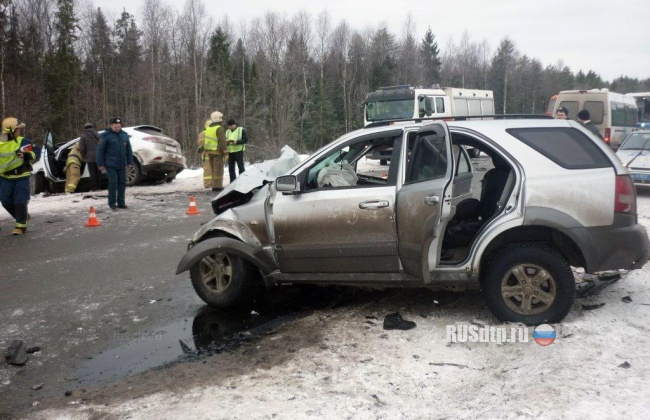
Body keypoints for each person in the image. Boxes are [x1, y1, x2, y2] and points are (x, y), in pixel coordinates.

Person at [0, 117, 36, 235]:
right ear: (11, 131)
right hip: (5, 178)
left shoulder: (23, 141)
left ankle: (21, 226)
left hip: (21, 176)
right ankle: (23, 216)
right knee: (5, 201)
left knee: (20, 201)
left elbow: (36, 152)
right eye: (18, 129)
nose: (20, 131)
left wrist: (27, 155)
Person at [97, 117, 134, 210]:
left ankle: (121, 202)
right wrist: (100, 164)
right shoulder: (105, 136)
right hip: (110, 164)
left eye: (119, 126)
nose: (117, 128)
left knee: (122, 183)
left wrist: (130, 162)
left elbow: (129, 150)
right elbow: (99, 151)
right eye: (115, 126)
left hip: (122, 163)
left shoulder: (124, 135)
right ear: (111, 126)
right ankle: (112, 203)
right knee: (113, 182)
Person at [200, 111, 229, 192]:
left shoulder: (208, 128)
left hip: (209, 153)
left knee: (213, 170)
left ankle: (214, 185)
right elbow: (222, 142)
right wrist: (226, 153)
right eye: (221, 119)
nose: (222, 121)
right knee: (218, 170)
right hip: (217, 153)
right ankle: (218, 187)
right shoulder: (218, 128)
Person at [79, 122, 102, 191]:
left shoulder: (83, 136)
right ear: (92, 127)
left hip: (90, 158)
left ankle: (95, 188)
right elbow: (102, 144)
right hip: (99, 156)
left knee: (92, 173)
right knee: (99, 172)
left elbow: (82, 148)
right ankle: (99, 187)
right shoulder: (98, 134)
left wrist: (83, 157)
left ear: (85, 128)